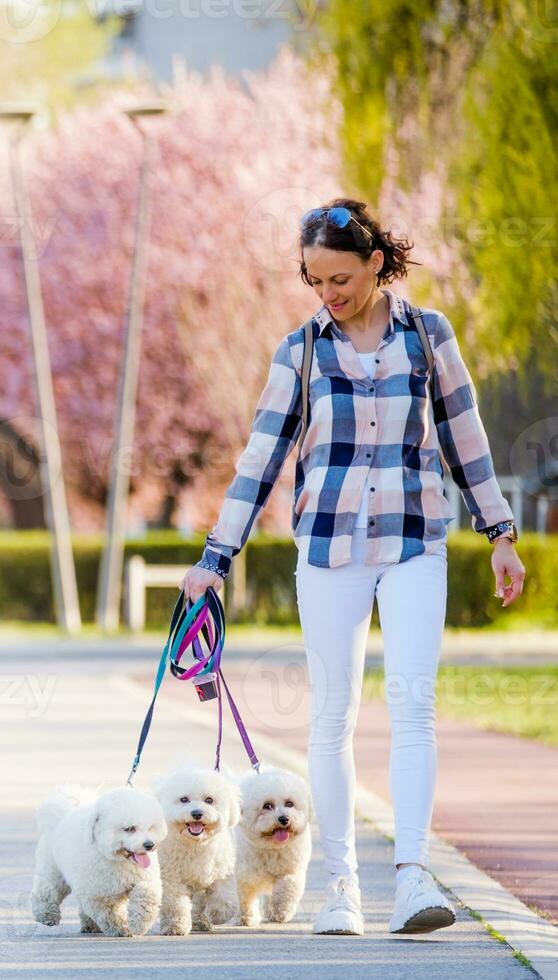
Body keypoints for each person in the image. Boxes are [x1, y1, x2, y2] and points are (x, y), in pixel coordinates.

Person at [180, 198, 525, 937]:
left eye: (340, 277)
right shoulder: (300, 350)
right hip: (329, 548)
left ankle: (411, 880)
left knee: (413, 705)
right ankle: (341, 887)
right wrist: (215, 556)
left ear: (376, 262)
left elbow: (466, 437)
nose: (328, 294)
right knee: (332, 717)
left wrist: (499, 530)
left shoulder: (429, 337)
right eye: (314, 281)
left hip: (413, 541)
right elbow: (261, 458)